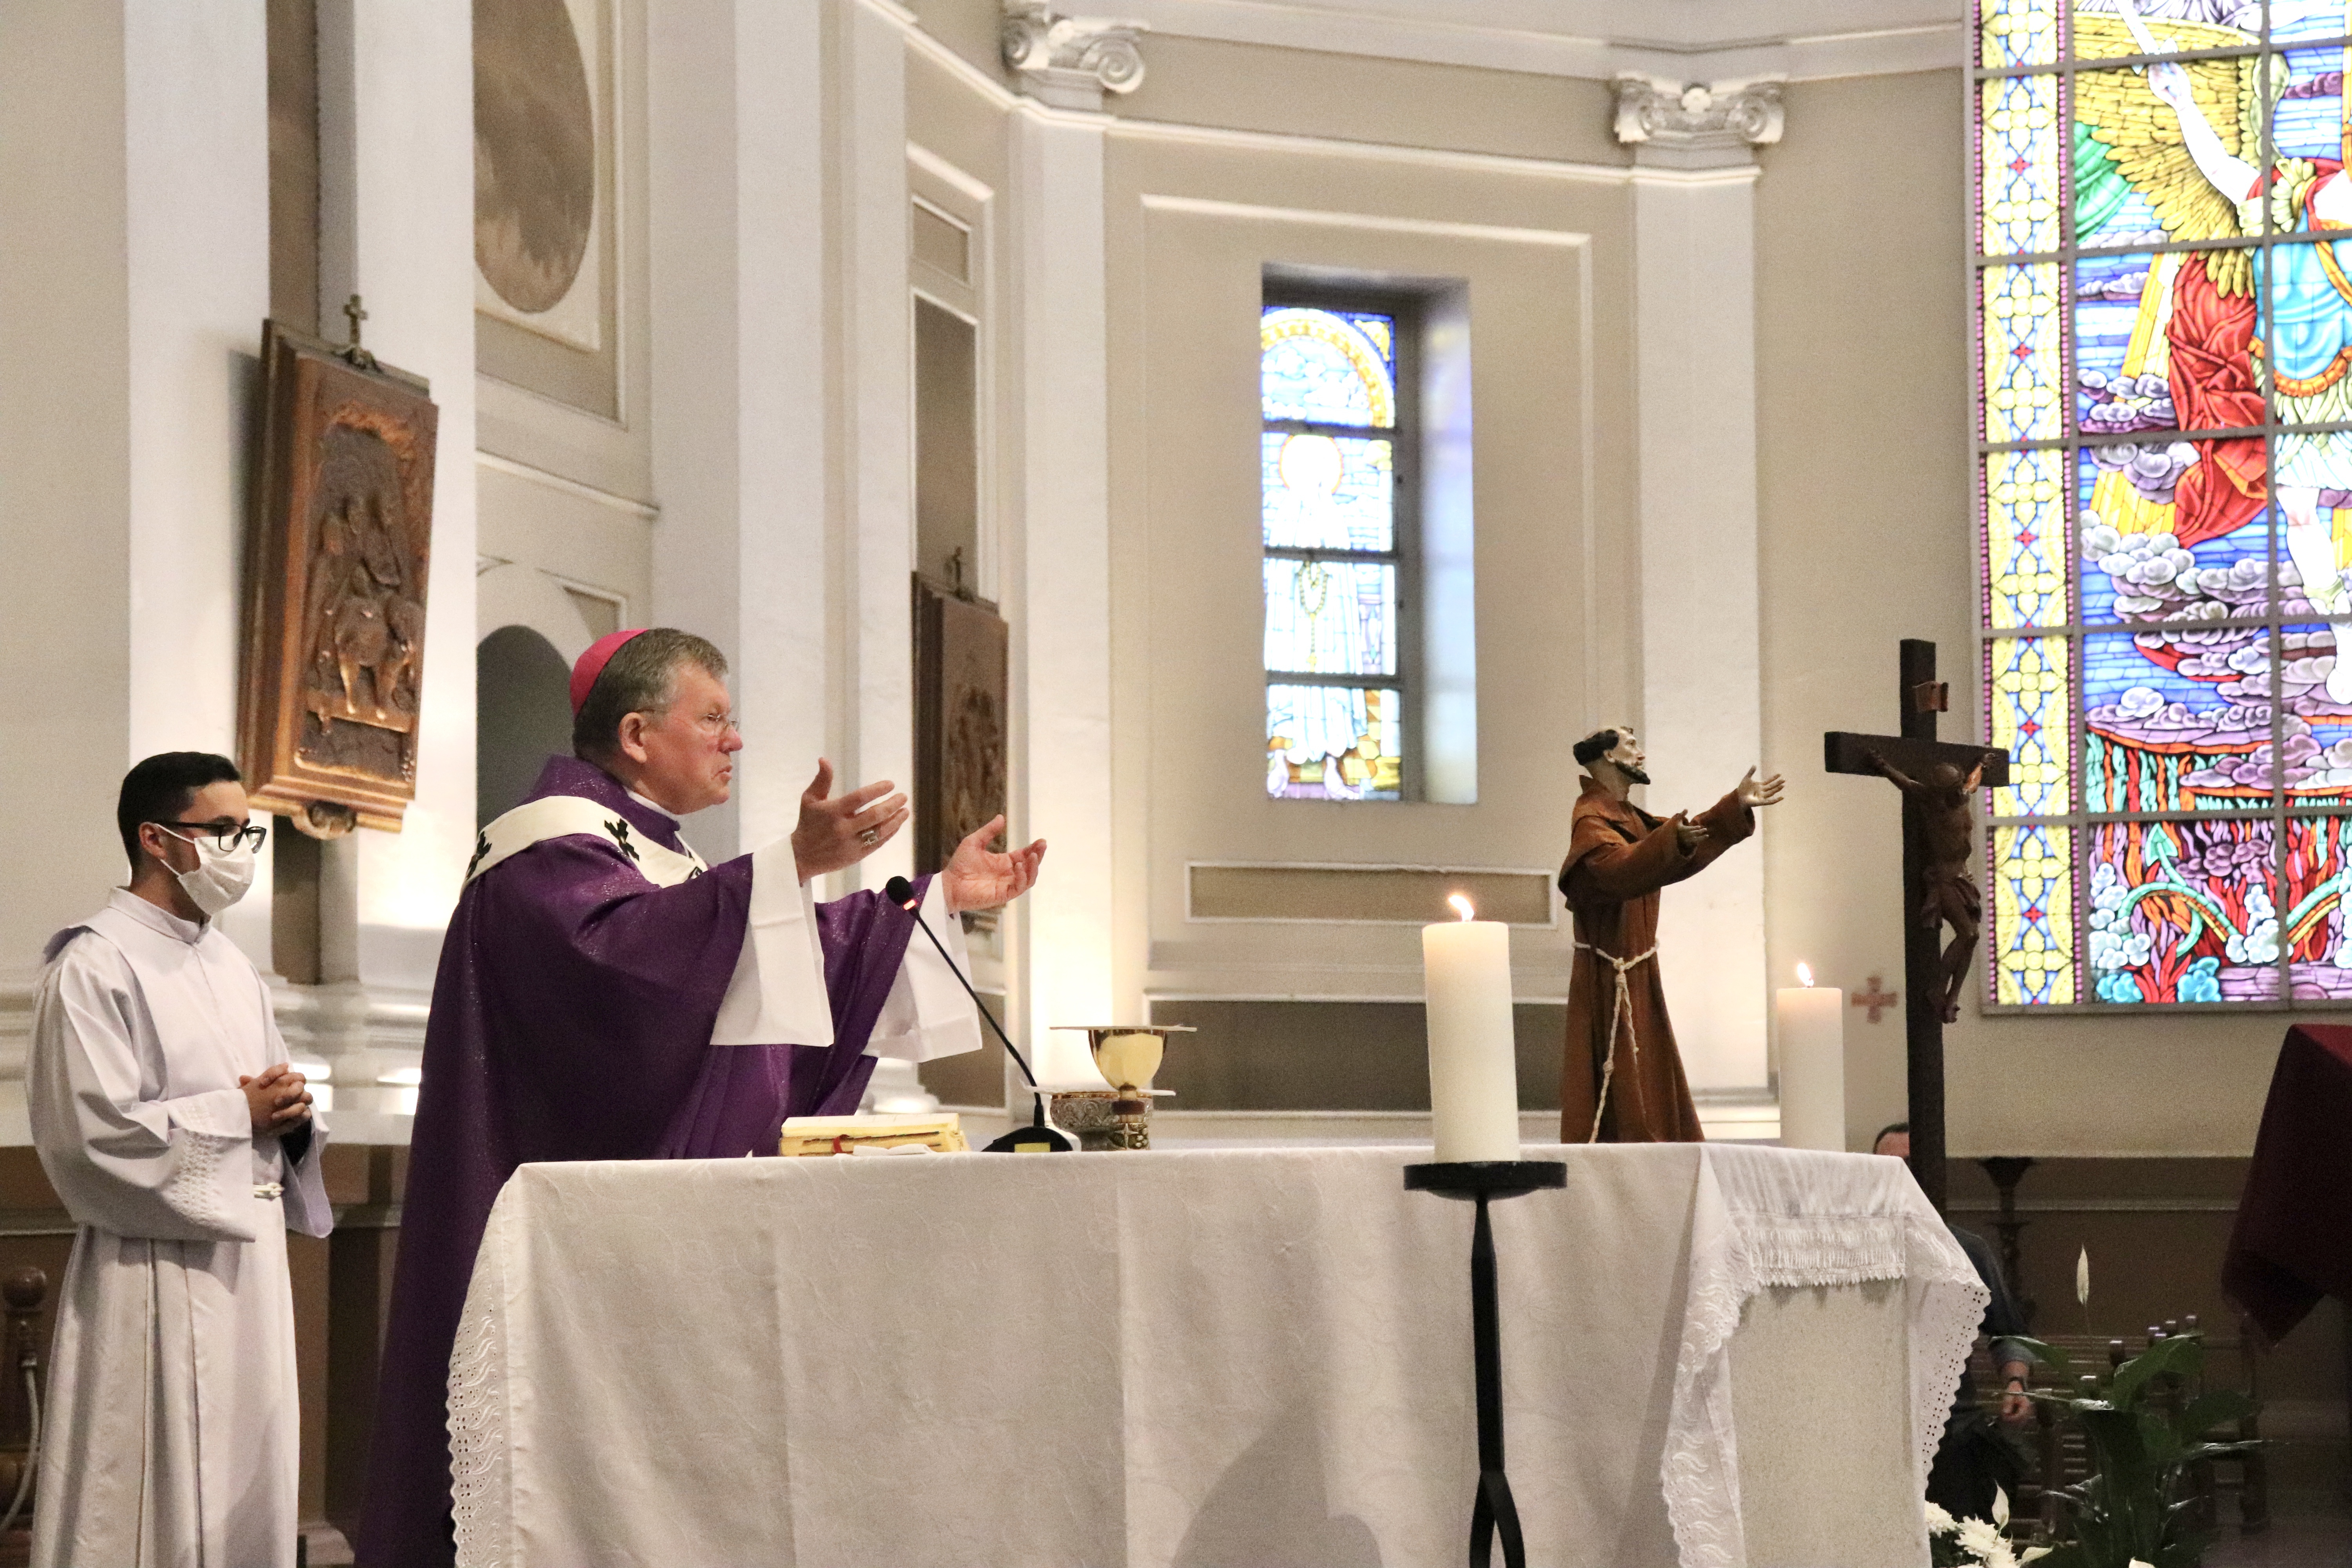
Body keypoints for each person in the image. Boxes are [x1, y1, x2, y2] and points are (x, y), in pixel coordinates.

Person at [359, 627, 1047, 1567]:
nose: (734, 741)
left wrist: (936, 900)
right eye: (714, 719)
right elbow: (625, 985)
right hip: (586, 1258)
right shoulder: (548, 848)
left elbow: (768, 967)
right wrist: (785, 866)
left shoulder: (661, 860)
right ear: (639, 733)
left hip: (674, 1246)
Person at [27, 751, 328, 1568]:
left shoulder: (231, 963)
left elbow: (266, 1106)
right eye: (224, 830)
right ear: (157, 839)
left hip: (246, 1263)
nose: (241, 849)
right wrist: (240, 1111)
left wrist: (291, 1115)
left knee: (249, 1481)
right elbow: (88, 1136)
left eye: (248, 830)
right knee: (150, 1490)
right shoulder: (92, 965)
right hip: (149, 1265)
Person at [1558, 726, 1784, 1142]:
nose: (1641, 753)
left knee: (1652, 1083)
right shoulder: (1592, 821)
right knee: (1622, 1091)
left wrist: (1733, 806)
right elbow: (1618, 869)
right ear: (1607, 756)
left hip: (1637, 971)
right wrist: (1669, 842)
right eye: (1631, 746)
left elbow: (1679, 846)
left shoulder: (1628, 817)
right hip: (1610, 979)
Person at [1875, 1122, 2032, 1524]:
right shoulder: (1851, 1252)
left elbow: (2009, 1330)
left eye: (1909, 1167)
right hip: (1875, 1427)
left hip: (1953, 1427)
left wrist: (2015, 1382)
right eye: (1887, 1167)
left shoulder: (1966, 1249)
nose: (1900, 1179)